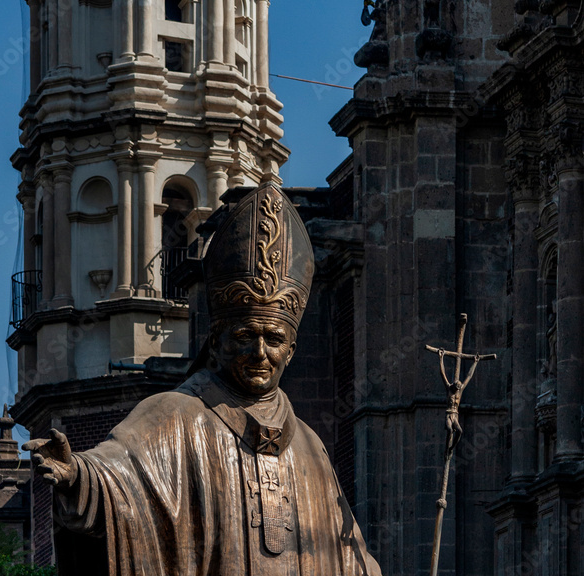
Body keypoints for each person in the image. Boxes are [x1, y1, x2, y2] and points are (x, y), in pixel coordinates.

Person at [24, 183, 382, 576]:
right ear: (216, 340)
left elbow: (350, 556)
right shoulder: (173, 417)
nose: (260, 353)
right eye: (245, 335)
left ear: (292, 350)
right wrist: (78, 477)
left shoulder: (311, 450)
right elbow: (119, 477)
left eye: (274, 338)